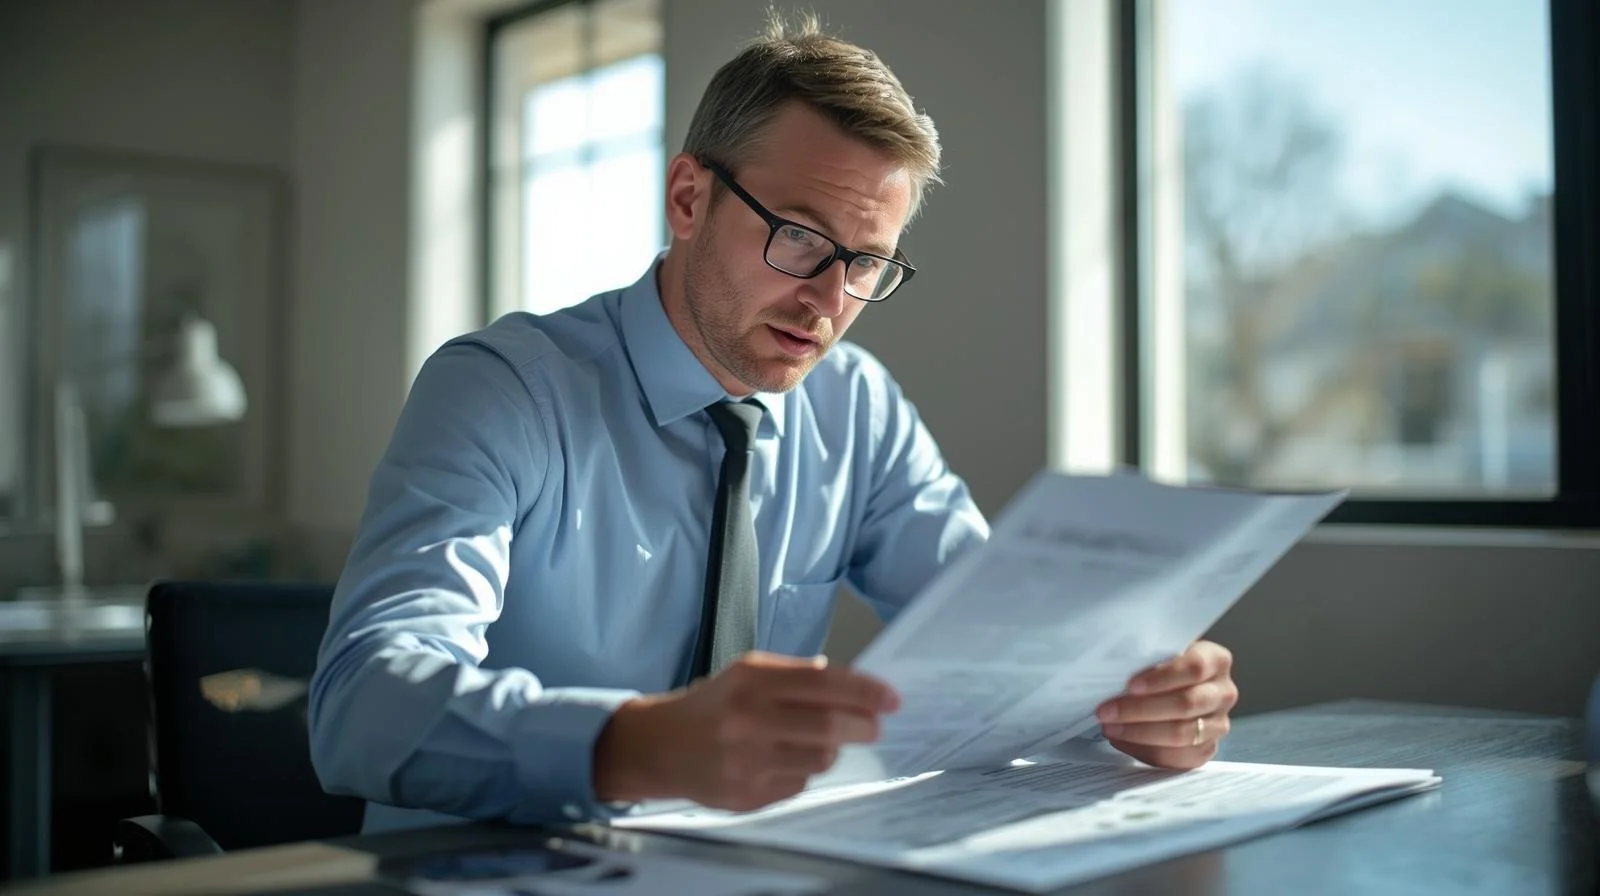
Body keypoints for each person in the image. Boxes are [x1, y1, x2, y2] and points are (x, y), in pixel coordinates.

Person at [308, 13, 1239, 833]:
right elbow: (362, 707)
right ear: (687, 198)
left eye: (867, 262)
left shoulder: (858, 409)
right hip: (491, 867)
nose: (829, 301)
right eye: (799, 236)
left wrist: (1135, 697)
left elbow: (1006, 645)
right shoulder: (504, 391)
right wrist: (634, 746)